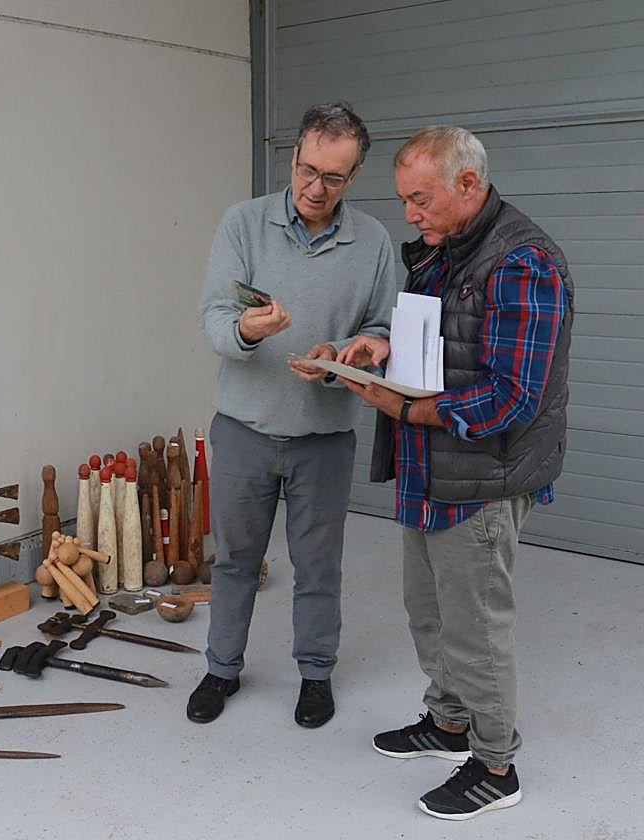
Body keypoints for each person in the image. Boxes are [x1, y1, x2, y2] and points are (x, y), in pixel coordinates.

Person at [338, 125, 572, 820]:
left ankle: (496, 764)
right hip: (430, 468)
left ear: (468, 185)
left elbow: (512, 396)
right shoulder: (445, 253)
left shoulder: (524, 264)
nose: (409, 214)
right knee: (428, 611)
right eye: (405, 199)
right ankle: (447, 722)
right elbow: (433, 345)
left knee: (475, 628)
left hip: (482, 475)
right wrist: (376, 349)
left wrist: (403, 413)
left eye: (419, 199)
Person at [190, 101, 397, 729]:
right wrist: (249, 330)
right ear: (293, 156)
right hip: (245, 431)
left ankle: (315, 674)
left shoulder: (375, 243)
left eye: (332, 178)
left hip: (324, 438)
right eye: (307, 170)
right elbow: (214, 320)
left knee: (317, 567)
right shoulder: (243, 224)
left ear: (354, 176)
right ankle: (221, 667)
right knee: (233, 561)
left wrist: (347, 352)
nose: (314, 188)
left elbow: (382, 328)